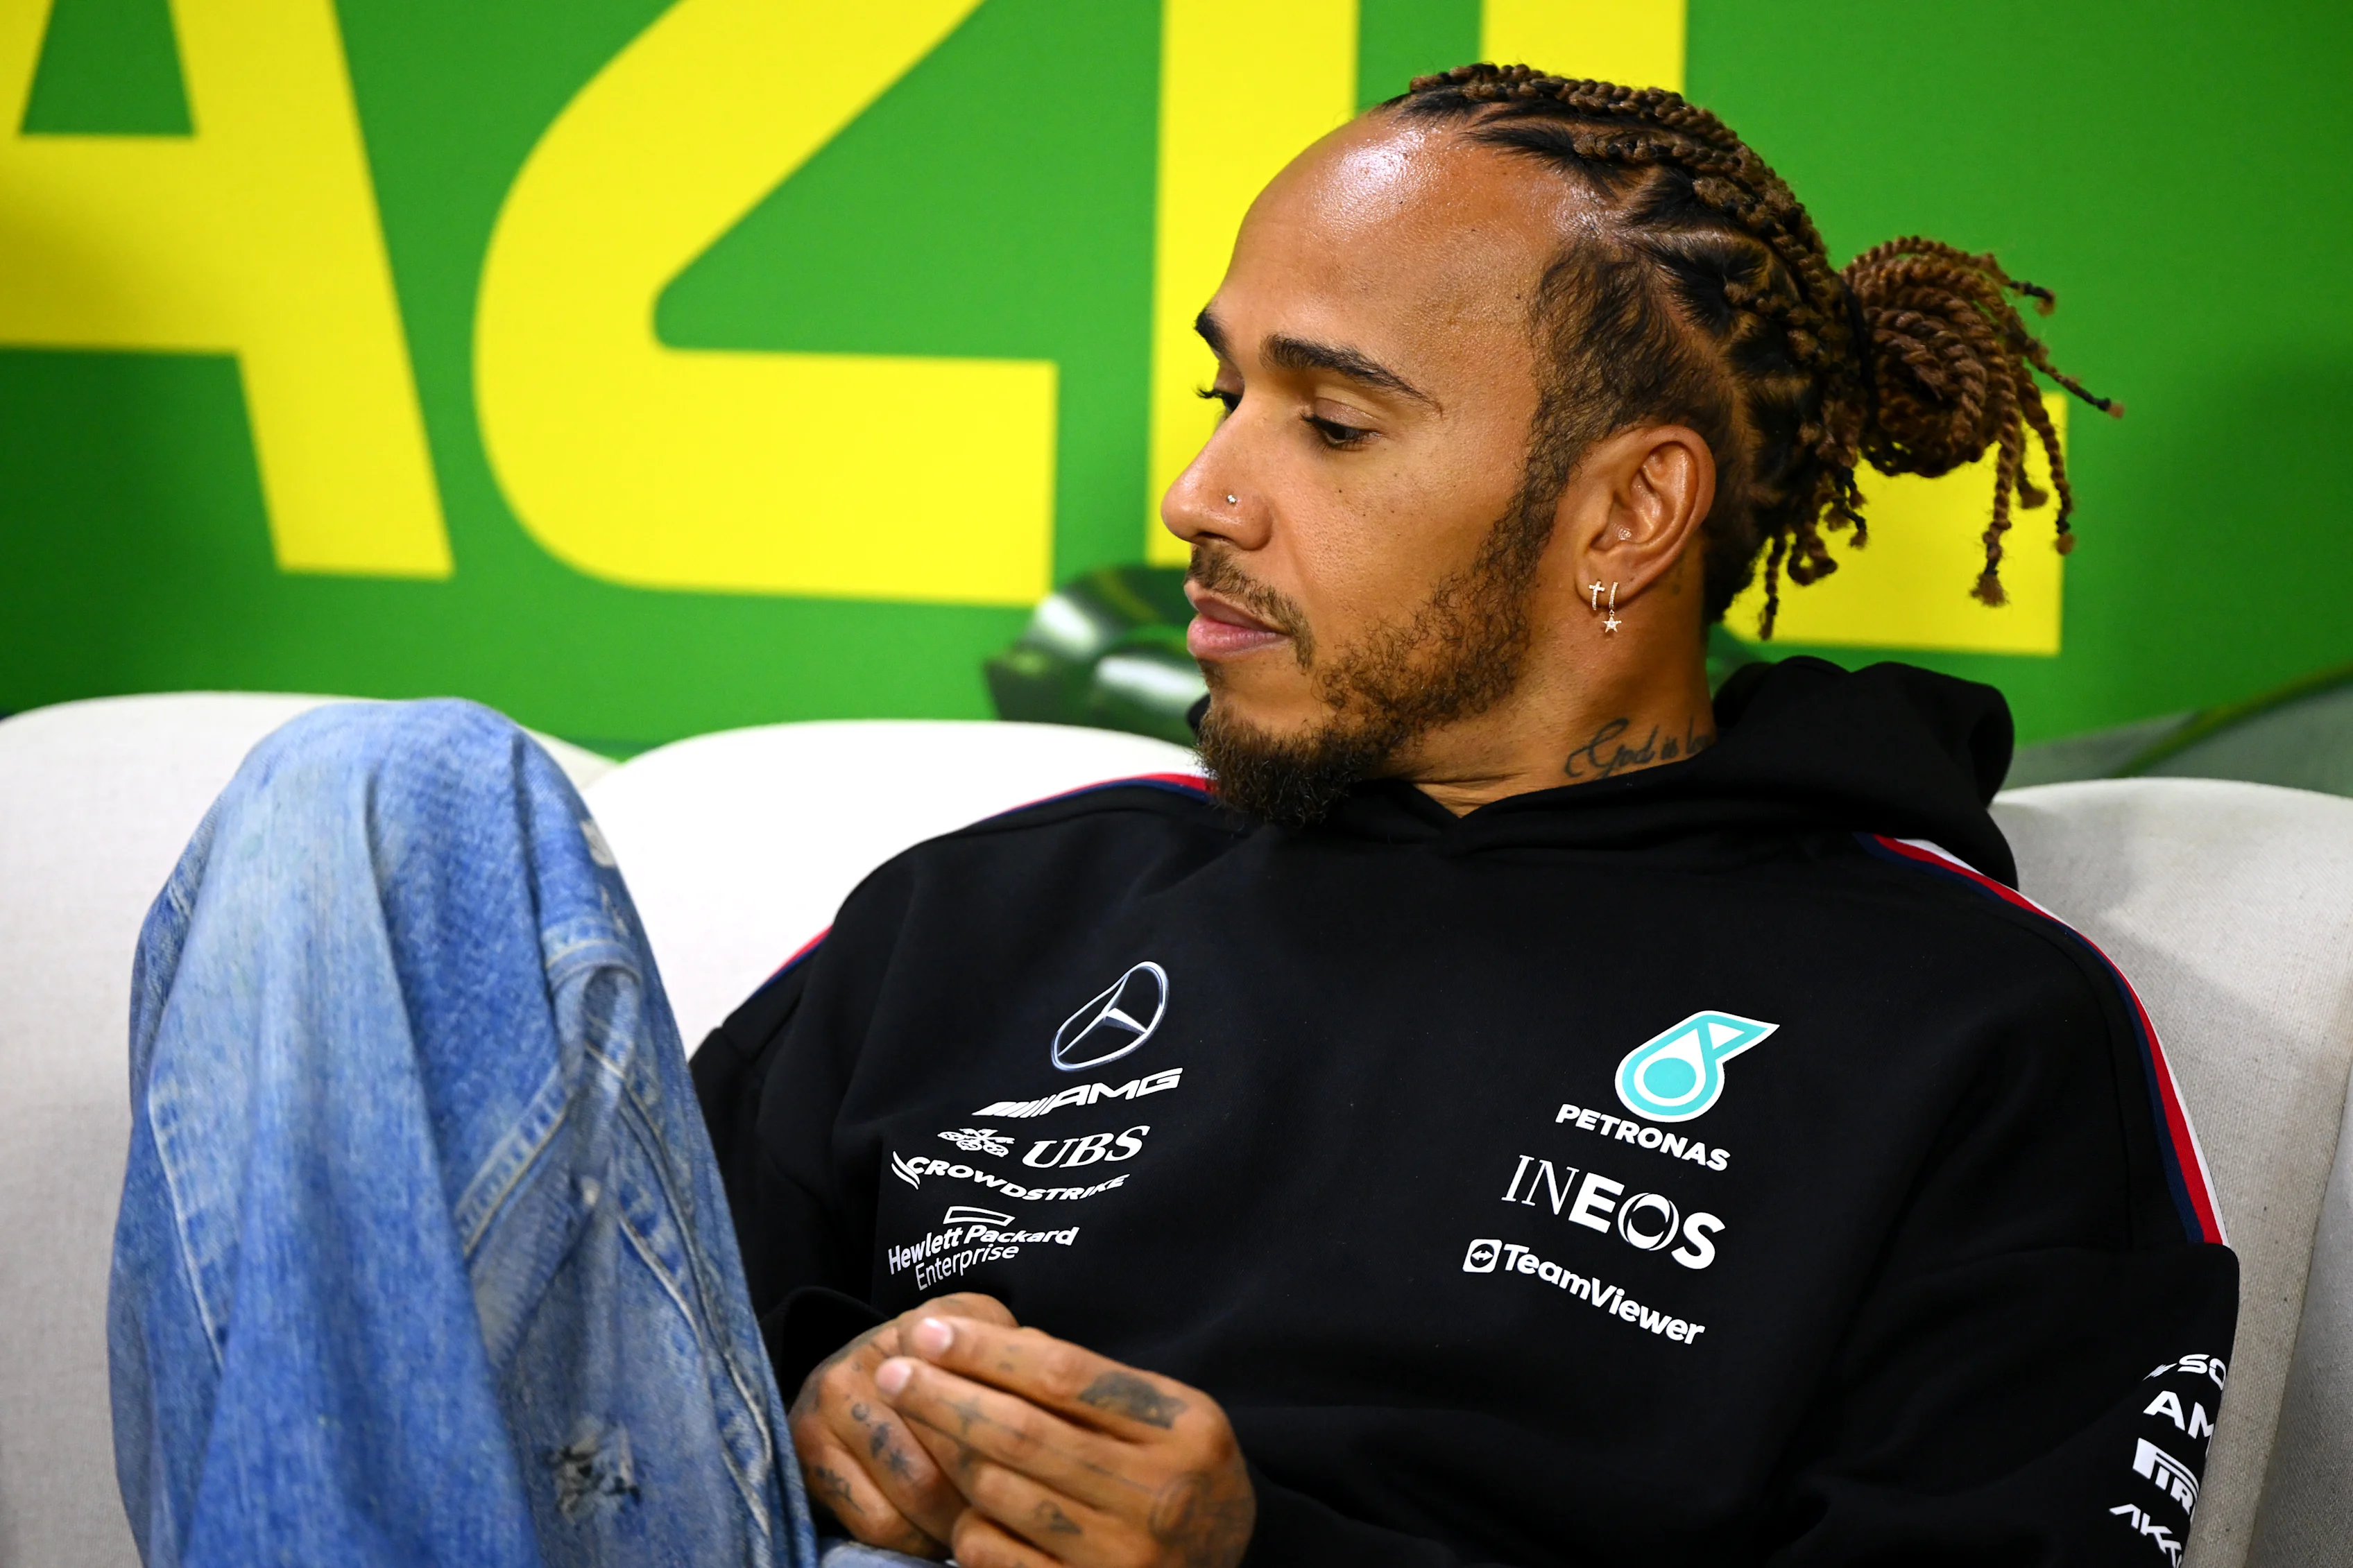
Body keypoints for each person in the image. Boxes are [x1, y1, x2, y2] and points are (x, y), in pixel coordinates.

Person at [112, 67, 2235, 1568]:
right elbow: (597, 1381)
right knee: (370, 799)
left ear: (1627, 513)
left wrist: (1261, 1553)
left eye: (1331, 420)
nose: (1202, 493)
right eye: (1226, 392)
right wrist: (830, 1405)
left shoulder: (1968, 1027)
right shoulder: (1002, 905)